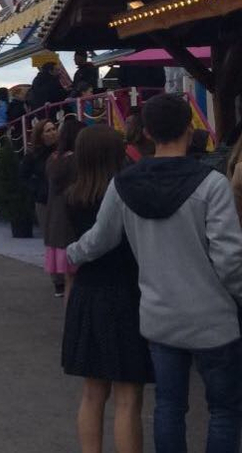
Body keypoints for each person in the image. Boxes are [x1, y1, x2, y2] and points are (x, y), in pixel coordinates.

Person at [67, 93, 242, 452]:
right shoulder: (212, 185)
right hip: (213, 318)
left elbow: (100, 240)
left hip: (159, 317)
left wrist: (70, 253)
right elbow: (228, 258)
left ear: (146, 132)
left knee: (169, 407)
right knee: (224, 411)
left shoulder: (123, 185)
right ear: (190, 127)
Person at [60, 125, 151, 453]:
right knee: (129, 396)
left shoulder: (73, 195)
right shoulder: (131, 191)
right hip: (128, 291)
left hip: (89, 290)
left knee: (92, 391)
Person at [45, 117, 84, 301]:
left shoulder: (53, 160)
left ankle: (71, 322)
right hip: (75, 221)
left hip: (57, 222)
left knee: (70, 280)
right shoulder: (77, 162)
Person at [20, 120, 61, 295]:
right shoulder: (33, 155)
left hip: (63, 200)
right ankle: (57, 279)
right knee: (51, 240)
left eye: (53, 129)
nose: (52, 133)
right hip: (44, 201)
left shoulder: (64, 151)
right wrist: (36, 190)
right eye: (47, 131)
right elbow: (23, 176)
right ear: (40, 135)